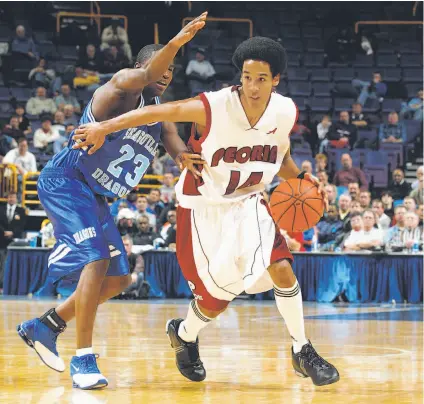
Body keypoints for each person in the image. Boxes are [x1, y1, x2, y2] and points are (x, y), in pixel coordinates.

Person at [74, 36, 339, 386]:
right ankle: (184, 335)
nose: (252, 86)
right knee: (215, 302)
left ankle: (301, 349)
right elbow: (156, 111)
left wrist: (304, 179)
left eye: (261, 78)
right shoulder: (213, 105)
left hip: (250, 203)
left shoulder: (285, 111)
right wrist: (102, 127)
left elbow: (282, 158)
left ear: (276, 80)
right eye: (247, 77)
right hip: (202, 207)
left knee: (282, 269)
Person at [16, 13, 208, 390]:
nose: (166, 75)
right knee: (96, 259)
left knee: (119, 278)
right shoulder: (122, 85)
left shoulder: (157, 111)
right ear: (143, 67)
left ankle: (45, 326)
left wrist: (186, 158)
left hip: (98, 197)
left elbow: (172, 140)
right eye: (160, 68)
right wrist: (178, 41)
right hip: (67, 179)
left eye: (170, 71)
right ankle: (83, 358)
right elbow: (149, 70)